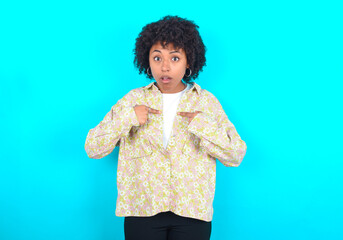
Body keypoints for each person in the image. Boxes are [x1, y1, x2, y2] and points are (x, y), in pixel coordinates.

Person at [85, 15, 247, 240]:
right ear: (147, 60)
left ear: (189, 61)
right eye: (157, 58)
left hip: (192, 212)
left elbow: (236, 155)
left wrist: (202, 125)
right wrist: (127, 118)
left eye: (175, 58)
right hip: (142, 211)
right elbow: (93, 147)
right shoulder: (133, 99)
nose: (165, 66)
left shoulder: (206, 102)